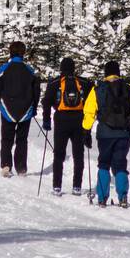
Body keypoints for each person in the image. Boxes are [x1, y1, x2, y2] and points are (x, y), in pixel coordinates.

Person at [82, 59, 130, 207]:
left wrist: (86, 130)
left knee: (104, 164)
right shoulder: (128, 87)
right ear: (118, 72)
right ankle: (123, 196)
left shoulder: (98, 89)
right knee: (120, 164)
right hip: (123, 133)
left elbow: (89, 111)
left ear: (105, 74)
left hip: (105, 134)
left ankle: (102, 198)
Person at [41, 57, 92, 196]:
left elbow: (46, 102)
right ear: (74, 68)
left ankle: (57, 186)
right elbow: (91, 103)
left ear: (61, 68)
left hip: (61, 120)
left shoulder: (55, 82)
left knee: (58, 154)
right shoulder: (83, 82)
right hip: (79, 120)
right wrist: (89, 127)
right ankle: (77, 187)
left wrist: (46, 120)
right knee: (78, 154)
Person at [0, 41, 40, 177]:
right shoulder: (30, 70)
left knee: (6, 138)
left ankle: (6, 165)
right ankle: (21, 168)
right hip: (26, 110)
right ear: (23, 53)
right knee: (21, 139)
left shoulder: (4, 69)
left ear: (10, 52)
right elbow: (36, 91)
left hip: (7, 108)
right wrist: (34, 106)